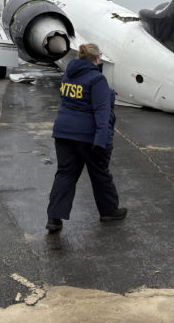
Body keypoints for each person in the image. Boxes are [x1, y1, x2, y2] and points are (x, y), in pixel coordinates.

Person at [46, 43, 126, 232]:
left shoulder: (68, 75)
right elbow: (102, 112)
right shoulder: (97, 80)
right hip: (87, 137)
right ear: (97, 60)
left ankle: (54, 219)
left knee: (65, 174)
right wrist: (101, 140)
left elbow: (67, 100)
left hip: (63, 133)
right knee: (100, 173)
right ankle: (108, 210)